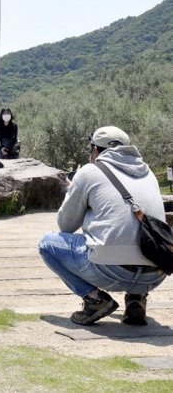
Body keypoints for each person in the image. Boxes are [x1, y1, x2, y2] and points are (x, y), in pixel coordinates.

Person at [39, 126, 167, 326]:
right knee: (132, 235)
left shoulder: (90, 171)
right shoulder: (148, 173)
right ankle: (136, 298)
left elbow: (66, 225)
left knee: (47, 244)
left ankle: (95, 300)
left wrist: (74, 191)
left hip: (110, 272)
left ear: (96, 150)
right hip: (156, 274)